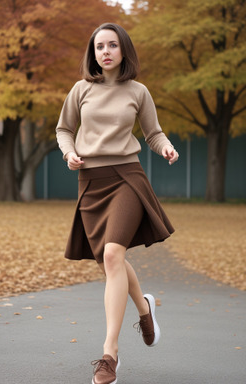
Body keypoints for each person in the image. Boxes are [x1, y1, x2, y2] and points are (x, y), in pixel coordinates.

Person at [56, 22, 179, 384]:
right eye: (99, 47)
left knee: (112, 255)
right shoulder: (81, 90)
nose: (105, 51)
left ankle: (109, 354)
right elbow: (64, 129)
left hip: (127, 177)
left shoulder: (138, 91)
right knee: (112, 260)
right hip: (91, 182)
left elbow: (152, 132)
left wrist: (166, 146)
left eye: (112, 45)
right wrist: (69, 153)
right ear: (93, 54)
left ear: (123, 50)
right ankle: (144, 308)